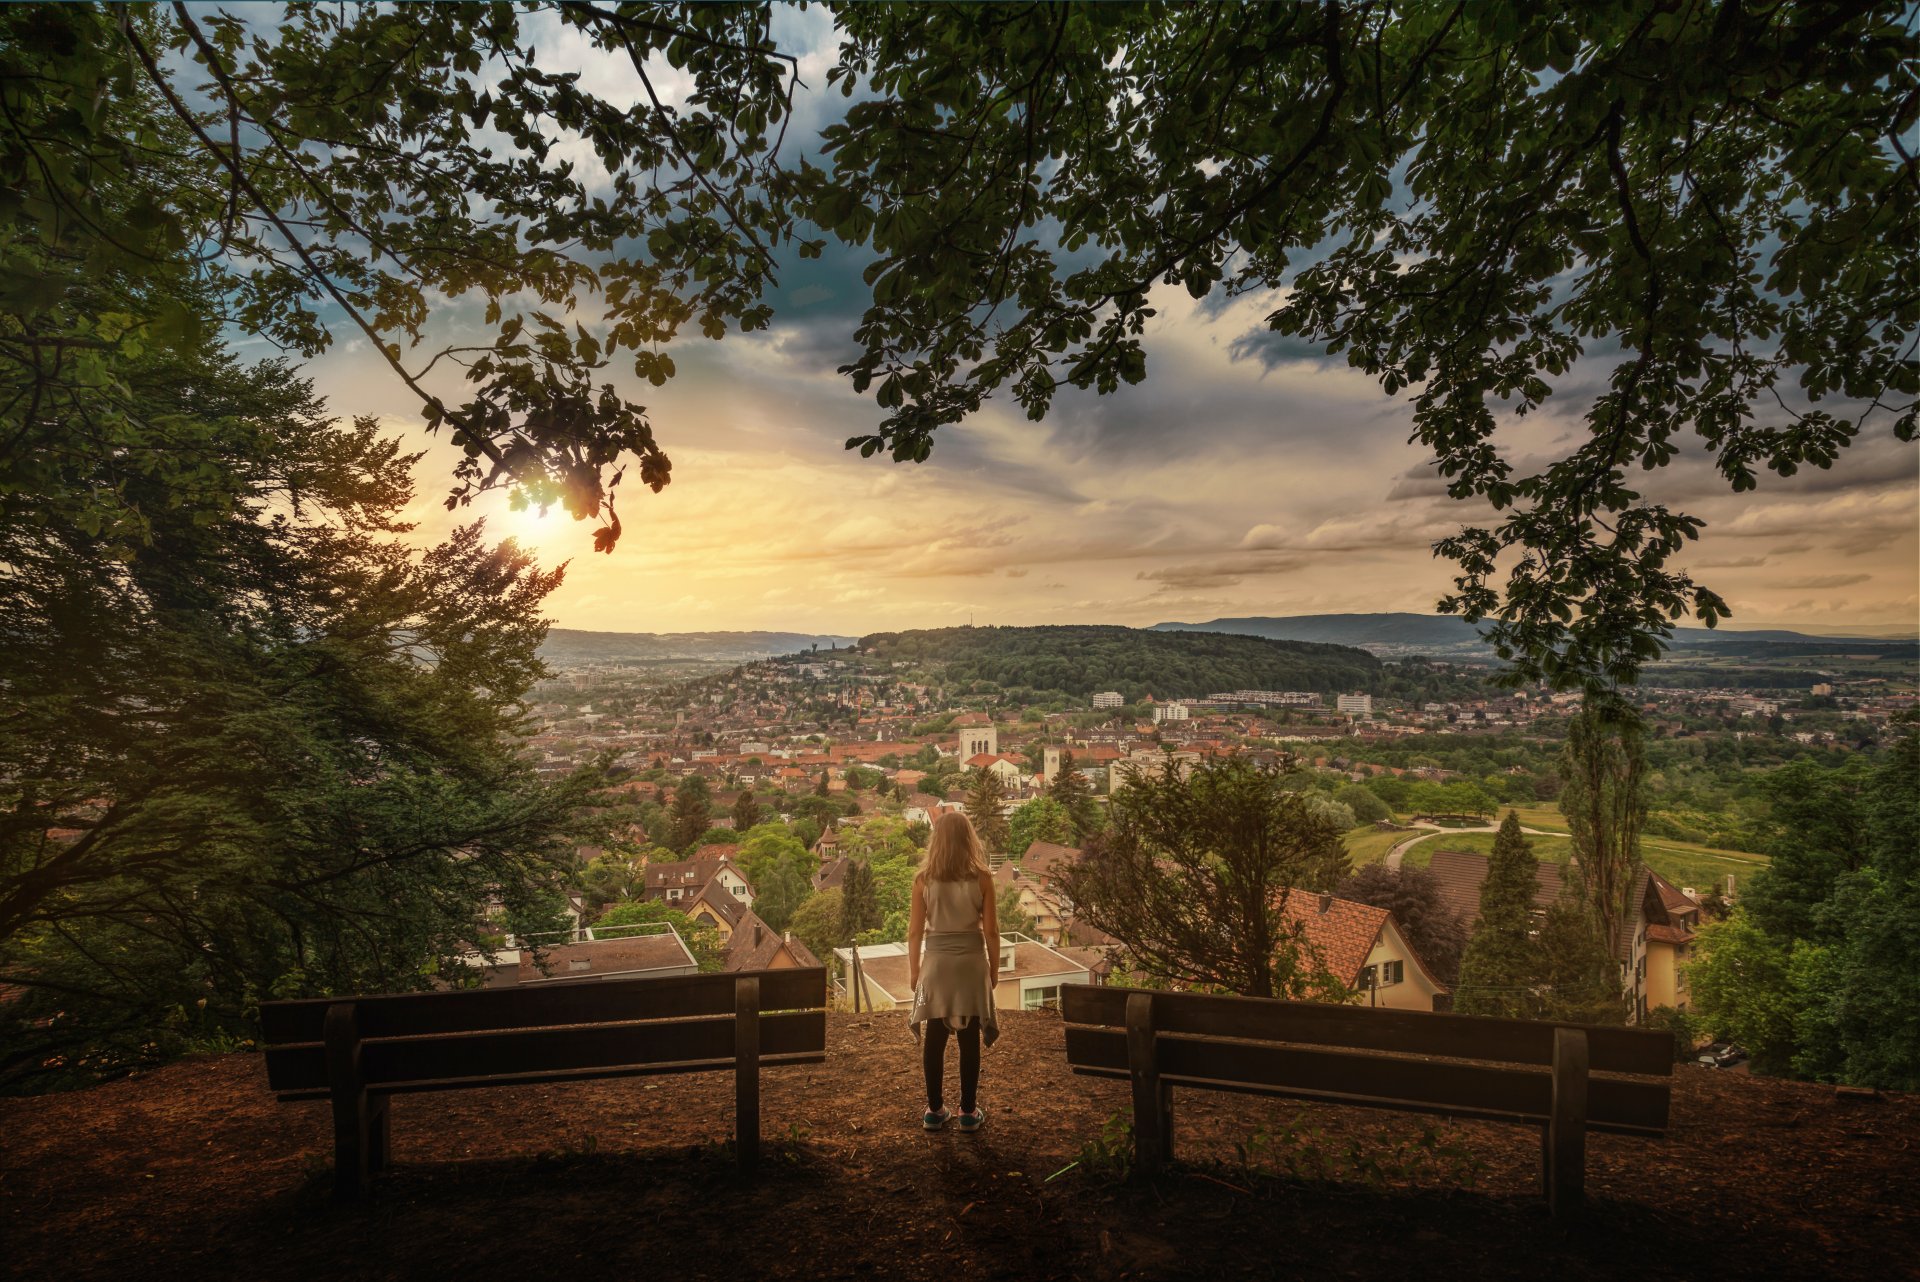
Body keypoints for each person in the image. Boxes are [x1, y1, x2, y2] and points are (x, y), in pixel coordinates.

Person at [907, 810, 1000, 1131]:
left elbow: (915, 933)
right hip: (971, 965)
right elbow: (991, 932)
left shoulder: (923, 881)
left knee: (934, 1037)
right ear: (968, 840)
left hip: (936, 965)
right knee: (968, 1038)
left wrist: (914, 971)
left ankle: (934, 1110)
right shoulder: (983, 879)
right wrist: (995, 969)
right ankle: (968, 1113)